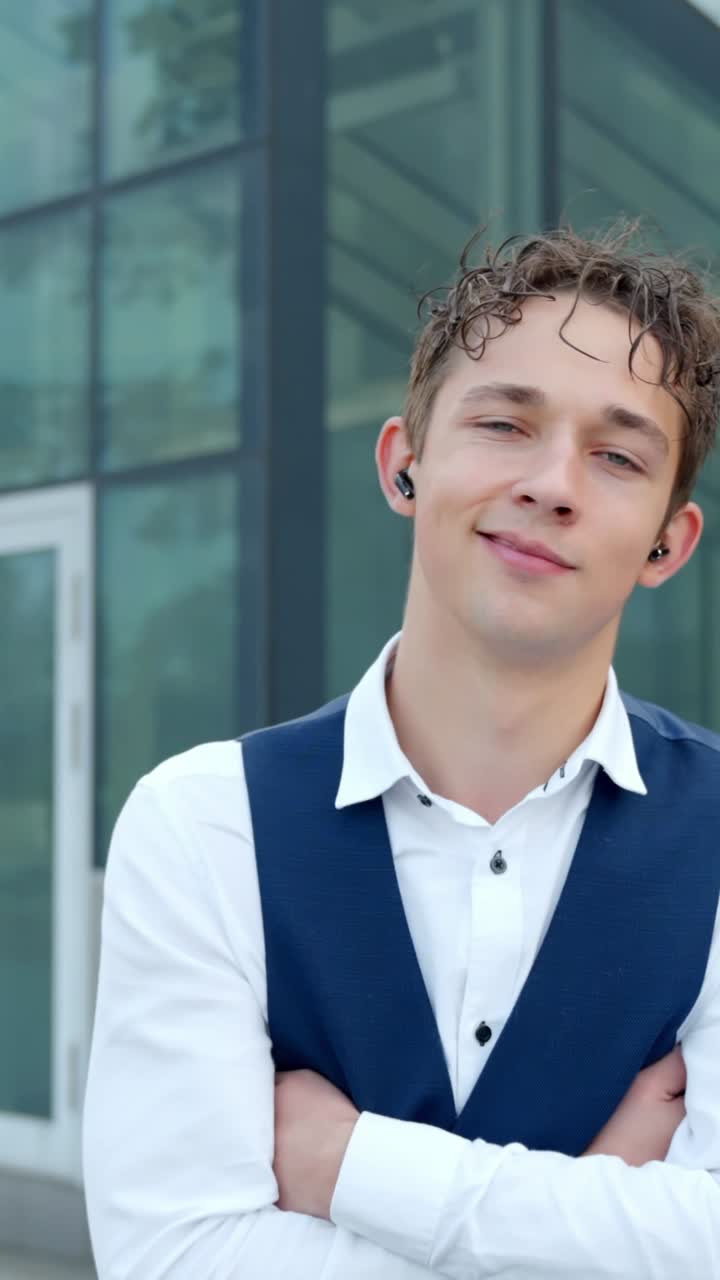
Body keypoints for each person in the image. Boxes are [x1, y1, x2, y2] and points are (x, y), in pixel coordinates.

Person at [83, 224, 720, 1279]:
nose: (553, 483)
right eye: (505, 424)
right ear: (403, 465)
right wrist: (608, 1216)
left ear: (669, 541)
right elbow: (176, 1257)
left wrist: (348, 1166)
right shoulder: (202, 824)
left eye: (617, 455)